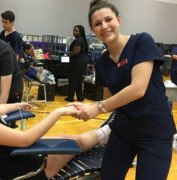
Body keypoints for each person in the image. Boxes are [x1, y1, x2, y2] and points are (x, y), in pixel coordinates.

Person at [0, 52, 112, 180]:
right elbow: (25, 139)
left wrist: (18, 105)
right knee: (72, 141)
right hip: (27, 171)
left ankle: (103, 135)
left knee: (65, 137)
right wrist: (58, 112)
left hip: (15, 156)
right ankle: (105, 133)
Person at [68, 0, 176, 180]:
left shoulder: (141, 41)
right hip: (123, 131)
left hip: (154, 132)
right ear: (93, 30)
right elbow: (110, 100)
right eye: (97, 24)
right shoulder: (102, 62)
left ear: (118, 20)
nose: (104, 26)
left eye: (108, 19)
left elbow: (137, 89)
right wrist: (87, 107)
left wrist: (97, 107)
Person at [65, 25, 89, 102]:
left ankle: (70, 97)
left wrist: (68, 53)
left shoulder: (78, 40)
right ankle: (80, 97)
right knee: (79, 80)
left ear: (80, 32)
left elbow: (76, 52)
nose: (74, 32)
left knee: (73, 79)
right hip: (83, 61)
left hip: (77, 61)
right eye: (74, 30)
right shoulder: (82, 40)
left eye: (76, 30)